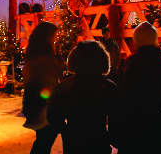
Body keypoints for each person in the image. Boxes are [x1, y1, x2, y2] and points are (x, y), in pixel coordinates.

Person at [114, 22, 161, 154]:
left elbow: (121, 100)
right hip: (159, 128)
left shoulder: (128, 66)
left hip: (133, 129)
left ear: (136, 41)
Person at [48, 40, 117, 154]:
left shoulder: (65, 87)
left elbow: (53, 116)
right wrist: (112, 137)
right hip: (99, 141)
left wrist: (65, 131)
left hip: (73, 142)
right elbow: (116, 117)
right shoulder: (109, 87)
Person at [22, 21, 62, 154]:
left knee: (43, 139)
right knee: (45, 139)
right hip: (43, 104)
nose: (55, 40)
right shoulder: (43, 56)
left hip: (38, 102)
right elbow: (46, 81)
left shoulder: (34, 52)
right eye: (53, 37)